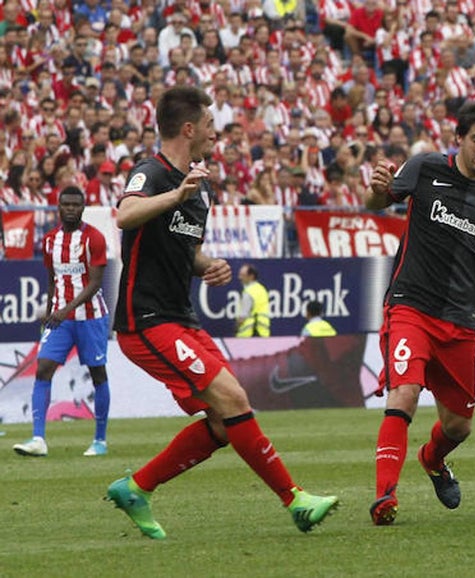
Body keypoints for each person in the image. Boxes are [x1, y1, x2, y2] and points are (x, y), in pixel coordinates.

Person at [107, 86, 338, 540]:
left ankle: (137, 487)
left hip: (180, 319)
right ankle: (295, 500)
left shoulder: (200, 187)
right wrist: (174, 195)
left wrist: (208, 264)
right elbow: (125, 215)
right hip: (145, 319)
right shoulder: (150, 174)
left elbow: (185, 249)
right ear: (189, 129)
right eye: (211, 126)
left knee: (221, 419)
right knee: (234, 399)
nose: (217, 134)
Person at [364, 98, 475, 526]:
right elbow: (378, 202)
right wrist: (376, 188)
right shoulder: (426, 167)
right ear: (460, 138)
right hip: (410, 305)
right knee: (404, 394)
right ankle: (384, 497)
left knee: (459, 427)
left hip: (461, 320)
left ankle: (432, 460)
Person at [13, 186, 111, 458]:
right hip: (61, 318)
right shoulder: (49, 241)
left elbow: (95, 284)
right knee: (43, 368)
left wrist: (65, 309)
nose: (70, 209)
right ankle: (38, 439)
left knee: (97, 373)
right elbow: (52, 280)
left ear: (83, 207)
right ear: (58, 207)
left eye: (75, 205)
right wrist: (49, 312)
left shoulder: (95, 238)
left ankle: (100, 440)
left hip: (90, 317)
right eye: (65, 204)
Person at [235, 263, 271, 337]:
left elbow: (242, 316)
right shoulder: (262, 289)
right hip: (263, 332)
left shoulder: (248, 292)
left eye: (242, 275)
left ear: (251, 276)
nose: (239, 277)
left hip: (249, 334)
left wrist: (236, 328)